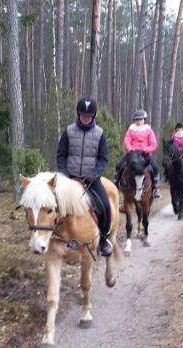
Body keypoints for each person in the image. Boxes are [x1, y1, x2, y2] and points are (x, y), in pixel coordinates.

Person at [56, 96, 113, 256]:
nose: (86, 119)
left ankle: (103, 240)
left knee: (105, 206)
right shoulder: (68, 131)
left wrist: (94, 173)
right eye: (83, 115)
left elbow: (103, 158)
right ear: (78, 114)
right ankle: (51, 237)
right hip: (70, 178)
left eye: (89, 116)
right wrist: (63, 173)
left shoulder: (100, 133)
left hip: (91, 179)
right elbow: (61, 154)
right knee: (54, 206)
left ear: (93, 116)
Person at [113, 109, 161, 198]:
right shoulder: (131, 129)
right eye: (136, 120)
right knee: (119, 165)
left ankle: (155, 188)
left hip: (145, 153)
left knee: (155, 168)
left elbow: (153, 144)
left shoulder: (149, 130)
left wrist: (146, 149)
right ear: (134, 121)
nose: (138, 121)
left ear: (144, 120)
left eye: (140, 119)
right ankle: (116, 184)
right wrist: (130, 149)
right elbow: (126, 141)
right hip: (133, 153)